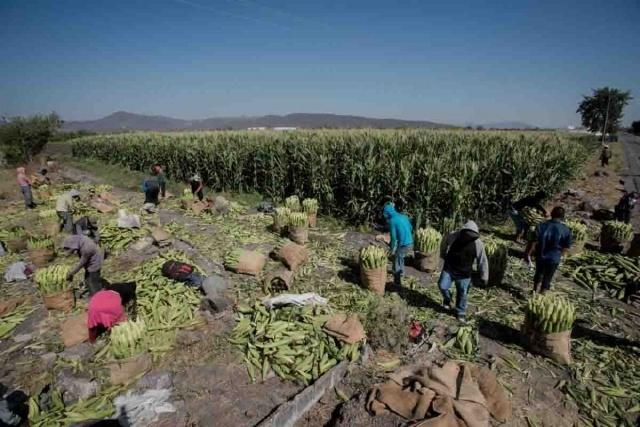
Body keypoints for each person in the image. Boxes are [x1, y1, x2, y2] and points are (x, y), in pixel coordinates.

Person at [439, 220, 489, 321]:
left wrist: (484, 276)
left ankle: (460, 312)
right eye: (466, 235)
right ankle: (448, 299)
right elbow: (444, 241)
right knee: (442, 286)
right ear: (462, 232)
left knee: (462, 293)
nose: (468, 237)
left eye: (470, 236)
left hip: (464, 273)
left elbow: (482, 260)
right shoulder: (454, 236)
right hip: (449, 267)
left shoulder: (477, 243)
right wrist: (443, 253)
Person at [526, 206, 572, 293]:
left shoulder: (541, 225)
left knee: (538, 273)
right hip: (554, 258)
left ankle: (534, 290)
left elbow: (534, 241)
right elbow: (566, 247)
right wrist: (561, 257)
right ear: (563, 217)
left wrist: (529, 253)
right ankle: (541, 295)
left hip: (540, 255)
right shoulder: (566, 230)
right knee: (548, 277)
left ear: (551, 214)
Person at [382, 203, 413, 287]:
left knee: (396, 260)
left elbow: (393, 237)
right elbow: (410, 227)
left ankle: (397, 282)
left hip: (404, 244)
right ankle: (402, 273)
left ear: (388, 213)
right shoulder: (403, 216)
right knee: (400, 257)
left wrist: (391, 249)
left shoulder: (392, 221)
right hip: (410, 242)